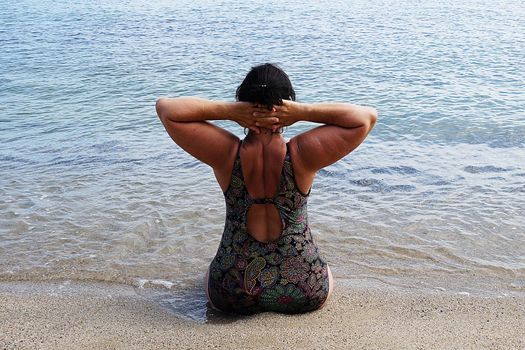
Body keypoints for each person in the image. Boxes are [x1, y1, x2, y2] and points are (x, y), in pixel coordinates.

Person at [155, 63, 377, 315]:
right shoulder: (303, 154)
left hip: (232, 289)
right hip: (303, 286)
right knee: (324, 270)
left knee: (212, 271)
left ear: (242, 104)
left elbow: (166, 108)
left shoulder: (226, 153)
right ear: (287, 105)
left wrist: (229, 111)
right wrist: (303, 112)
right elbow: (365, 117)